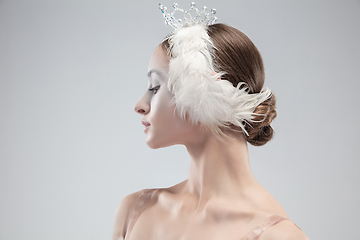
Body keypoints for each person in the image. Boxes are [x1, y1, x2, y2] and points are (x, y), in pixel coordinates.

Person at [112, 3, 309, 240]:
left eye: (156, 87)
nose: (139, 105)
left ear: (209, 94)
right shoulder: (136, 210)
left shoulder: (276, 236)